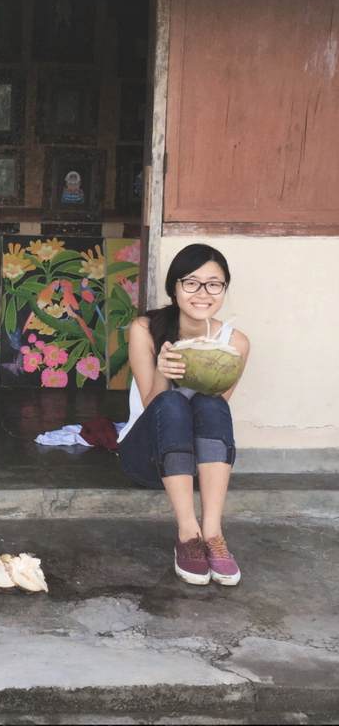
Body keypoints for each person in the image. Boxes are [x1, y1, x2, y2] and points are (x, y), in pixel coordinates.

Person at [117, 244, 250, 586]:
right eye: (191, 283)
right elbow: (154, 406)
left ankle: (213, 534)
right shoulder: (145, 329)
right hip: (145, 459)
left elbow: (214, 411)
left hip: (194, 468)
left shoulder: (234, 343)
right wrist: (163, 367)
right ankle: (188, 535)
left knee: (211, 403)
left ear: (224, 290)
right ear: (174, 289)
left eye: (214, 284)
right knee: (172, 403)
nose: (202, 293)